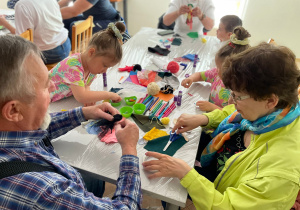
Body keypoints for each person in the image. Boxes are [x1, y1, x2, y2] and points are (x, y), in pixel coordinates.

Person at [143, 42, 300, 209]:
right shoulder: (274, 111)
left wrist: (187, 175)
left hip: (221, 192)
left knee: (169, 185)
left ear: (270, 100)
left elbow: (229, 206)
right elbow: (231, 111)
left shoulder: (280, 174)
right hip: (220, 160)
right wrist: (204, 119)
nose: (230, 101)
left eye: (238, 96)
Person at [0, 35, 142, 209]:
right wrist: (129, 149)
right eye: (45, 85)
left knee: (94, 178)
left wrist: (84, 113)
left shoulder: (12, 128)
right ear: (13, 110)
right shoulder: (45, 191)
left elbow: (32, 130)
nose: (54, 86)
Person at [49, 22, 123, 106]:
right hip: (36, 97)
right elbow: (81, 96)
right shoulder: (73, 66)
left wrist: (89, 97)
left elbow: (86, 86)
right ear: (91, 52)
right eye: (104, 65)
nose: (104, 71)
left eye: (108, 67)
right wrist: (109, 95)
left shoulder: (92, 68)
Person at [181, 26, 251, 112]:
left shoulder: (239, 91)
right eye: (217, 66)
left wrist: (212, 107)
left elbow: (232, 114)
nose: (217, 70)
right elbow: (200, 75)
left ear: (234, 72)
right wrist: (191, 78)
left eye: (220, 69)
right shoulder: (216, 74)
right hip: (207, 115)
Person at [2, 0, 71, 65]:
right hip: (66, 44)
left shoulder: (22, 5)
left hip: (51, 53)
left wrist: (5, 23)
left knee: (7, 54)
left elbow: (22, 39)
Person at [58, 0, 130, 43]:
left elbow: (73, 11)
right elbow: (65, 2)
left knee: (74, 26)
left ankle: (75, 56)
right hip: (94, 18)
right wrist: (50, 8)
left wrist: (51, 14)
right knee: (65, 21)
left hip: (109, 22)